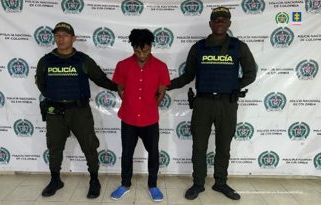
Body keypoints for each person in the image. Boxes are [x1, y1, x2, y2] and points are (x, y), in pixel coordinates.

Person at [167, 7, 257, 200]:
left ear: (229, 24)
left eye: (224, 20)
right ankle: (198, 183)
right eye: (216, 20)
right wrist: (166, 86)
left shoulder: (238, 46)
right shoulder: (198, 47)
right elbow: (188, 76)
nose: (220, 23)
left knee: (223, 146)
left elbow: (251, 73)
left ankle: (221, 183)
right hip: (203, 103)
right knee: (199, 146)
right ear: (210, 23)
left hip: (227, 103)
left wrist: (235, 86)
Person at [35, 22, 117, 198]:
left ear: (73, 38)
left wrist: (120, 88)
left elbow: (100, 79)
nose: (60, 38)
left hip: (79, 111)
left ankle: (94, 180)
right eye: (57, 35)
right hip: (54, 112)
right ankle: (55, 179)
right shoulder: (46, 61)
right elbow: (41, 84)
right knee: (54, 147)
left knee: (89, 146)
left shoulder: (82, 60)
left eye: (65, 35)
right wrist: (55, 98)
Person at [110, 29, 170, 202]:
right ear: (133, 47)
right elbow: (120, 88)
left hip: (150, 119)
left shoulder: (161, 66)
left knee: (153, 153)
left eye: (146, 50)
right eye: (138, 50)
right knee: (127, 152)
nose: (142, 54)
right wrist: (130, 103)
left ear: (151, 46)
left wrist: (149, 106)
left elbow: (162, 91)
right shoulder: (123, 65)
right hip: (128, 118)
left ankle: (153, 185)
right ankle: (125, 184)